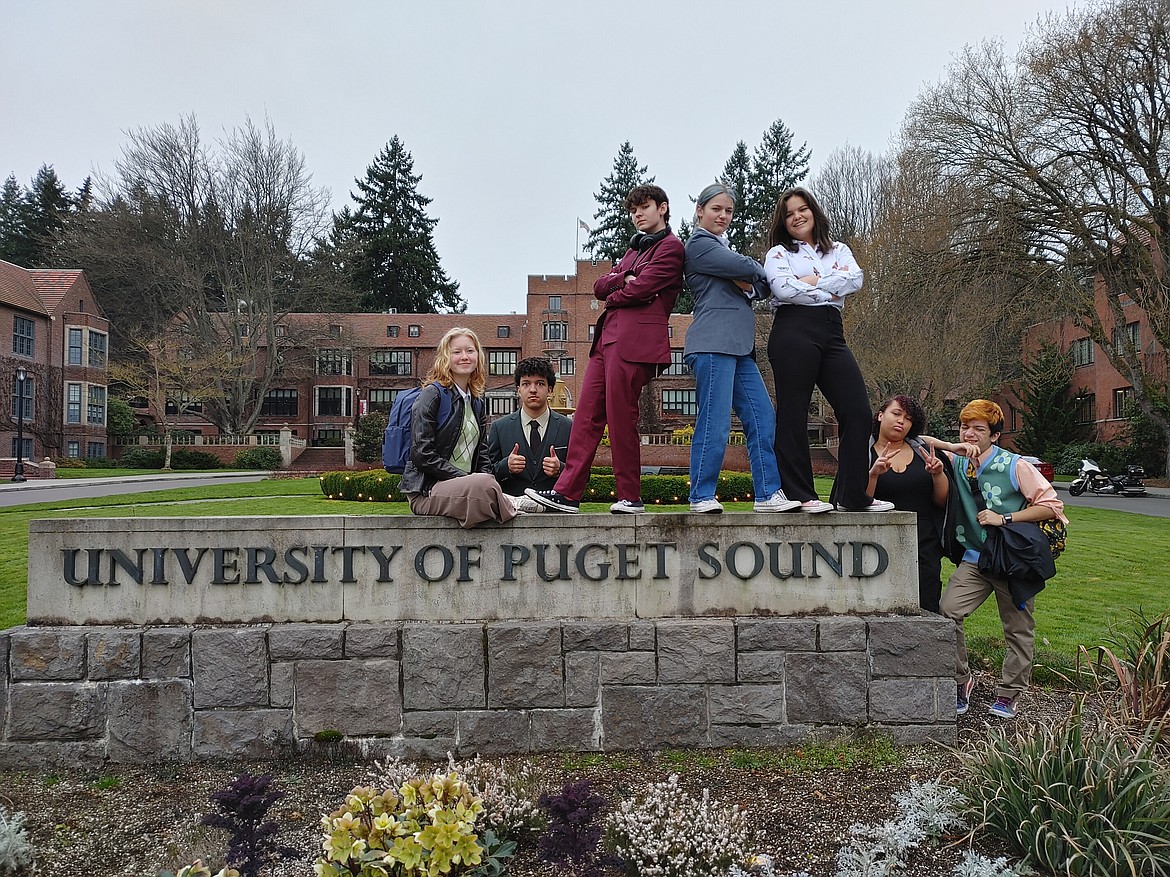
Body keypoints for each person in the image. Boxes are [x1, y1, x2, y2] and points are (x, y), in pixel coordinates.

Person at [527, 184, 684, 514]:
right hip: (605, 342)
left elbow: (638, 290)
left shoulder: (671, 248)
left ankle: (630, 495)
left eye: (644, 207)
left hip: (633, 344)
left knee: (621, 417)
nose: (637, 214)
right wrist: (623, 279)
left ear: (663, 208)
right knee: (585, 417)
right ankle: (568, 493)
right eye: (633, 210)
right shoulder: (633, 251)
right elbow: (599, 286)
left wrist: (621, 286)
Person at [928, 399, 1067, 719]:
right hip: (977, 559)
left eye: (979, 429)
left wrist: (1005, 518)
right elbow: (920, 441)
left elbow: (1052, 506)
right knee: (947, 612)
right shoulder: (957, 460)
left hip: (1013, 560)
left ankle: (1009, 693)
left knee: (1018, 629)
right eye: (965, 427)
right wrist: (954, 446)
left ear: (995, 435)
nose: (970, 434)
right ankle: (963, 680)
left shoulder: (1015, 465)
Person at [763, 187, 892, 514]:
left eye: (802, 209)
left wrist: (811, 280)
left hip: (833, 332)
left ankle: (852, 495)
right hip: (793, 330)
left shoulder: (838, 249)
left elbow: (856, 279)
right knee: (794, 411)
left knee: (858, 411)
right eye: (790, 213)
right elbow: (782, 289)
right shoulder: (779, 254)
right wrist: (828, 287)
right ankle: (801, 494)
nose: (797, 216)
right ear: (784, 220)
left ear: (814, 211)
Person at [683, 182, 801, 514]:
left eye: (729, 211)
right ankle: (701, 495)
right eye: (716, 209)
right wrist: (748, 272)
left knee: (763, 418)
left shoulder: (721, 251)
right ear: (700, 210)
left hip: (740, 348)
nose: (723, 215)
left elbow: (762, 285)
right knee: (715, 422)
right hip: (711, 344)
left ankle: (767, 494)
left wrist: (749, 278)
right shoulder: (700, 245)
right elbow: (754, 272)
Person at [401, 327, 524, 528]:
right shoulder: (432, 395)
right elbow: (422, 454)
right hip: (428, 490)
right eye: (456, 352)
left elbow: (483, 455)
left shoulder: (476, 402)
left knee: (484, 482)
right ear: (445, 358)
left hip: (468, 488)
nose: (464, 357)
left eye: (470, 351)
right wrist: (467, 479)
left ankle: (498, 500)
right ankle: (513, 503)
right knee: (483, 485)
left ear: (478, 356)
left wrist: (478, 478)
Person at [867, 395, 952, 612]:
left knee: (927, 603)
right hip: (878, 545)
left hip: (923, 542)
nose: (901, 421)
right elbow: (858, 504)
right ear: (880, 415)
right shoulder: (862, 453)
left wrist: (938, 474)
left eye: (908, 418)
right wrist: (873, 475)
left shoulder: (924, 453)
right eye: (896, 414)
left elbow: (942, 502)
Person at [486, 356, 573, 506]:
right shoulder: (500, 428)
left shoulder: (569, 427)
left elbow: (583, 476)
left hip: (556, 514)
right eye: (526, 384)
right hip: (510, 514)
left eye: (540, 384)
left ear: (550, 390)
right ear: (518, 390)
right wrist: (505, 467)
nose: (533, 390)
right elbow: (485, 474)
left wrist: (561, 469)